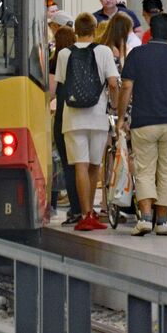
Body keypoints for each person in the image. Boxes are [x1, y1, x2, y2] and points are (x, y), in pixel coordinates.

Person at [116, 13, 167, 236]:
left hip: (143, 121)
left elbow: (126, 88)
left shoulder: (137, 54)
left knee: (144, 169)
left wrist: (121, 118)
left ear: (150, 29)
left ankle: (145, 218)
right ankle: (162, 222)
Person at [55, 14, 119, 231]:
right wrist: (116, 107)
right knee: (94, 166)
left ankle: (84, 214)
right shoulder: (104, 51)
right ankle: (91, 212)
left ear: (76, 31)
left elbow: (61, 86)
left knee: (79, 166)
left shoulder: (64, 54)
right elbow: (112, 82)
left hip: (72, 117)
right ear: (94, 29)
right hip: (98, 115)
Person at [49, 26, 83, 224]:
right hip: (86, 115)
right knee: (84, 164)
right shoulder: (81, 59)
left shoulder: (56, 61)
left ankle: (75, 208)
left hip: (63, 115)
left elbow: (51, 93)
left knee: (68, 164)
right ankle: (85, 208)